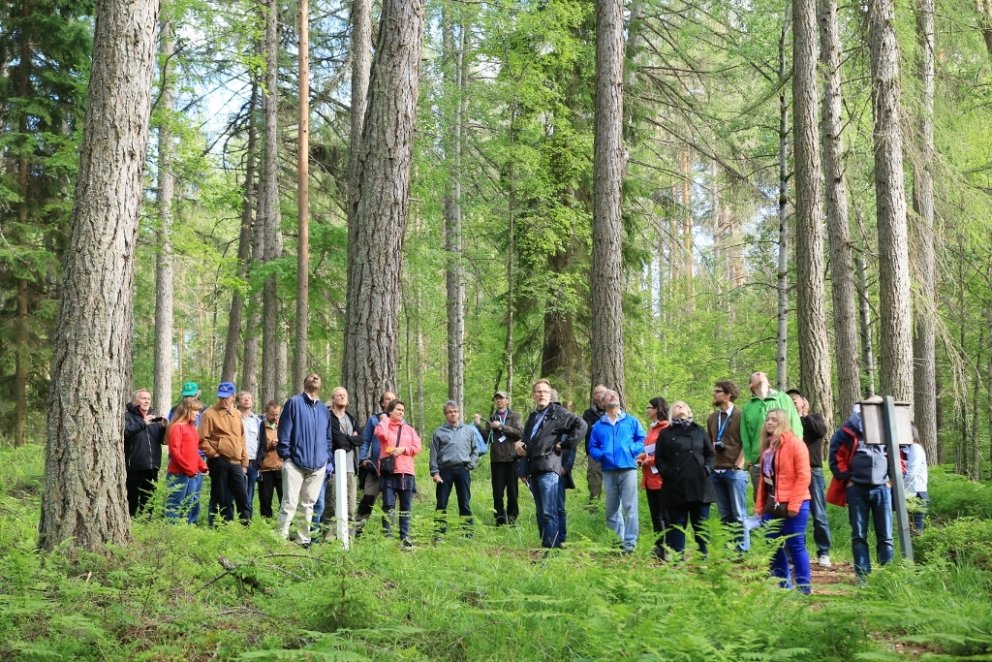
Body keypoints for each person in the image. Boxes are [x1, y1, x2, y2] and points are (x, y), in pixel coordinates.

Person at [827, 398, 896, 580]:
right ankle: (862, 575)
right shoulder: (847, 430)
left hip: (882, 488)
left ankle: (887, 577)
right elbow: (835, 455)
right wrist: (847, 479)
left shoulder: (887, 426)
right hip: (856, 489)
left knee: (886, 535)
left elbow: (900, 453)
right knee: (859, 534)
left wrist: (892, 481)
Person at [514, 379, 587, 549]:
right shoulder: (533, 417)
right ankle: (546, 545)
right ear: (533, 395)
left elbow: (581, 425)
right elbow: (526, 442)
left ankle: (551, 548)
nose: (542, 395)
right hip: (534, 467)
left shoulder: (558, 412)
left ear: (550, 395)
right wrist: (521, 462)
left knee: (549, 511)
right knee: (540, 512)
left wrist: (566, 444)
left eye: (545, 392)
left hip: (549, 466)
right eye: (538, 392)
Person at [755, 409, 812, 594]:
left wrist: (794, 504)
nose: (769, 422)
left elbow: (804, 476)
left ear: (783, 423)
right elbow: (764, 480)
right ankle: (783, 585)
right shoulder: (768, 447)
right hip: (773, 503)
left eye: (774, 420)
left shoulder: (796, 444)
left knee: (795, 545)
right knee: (771, 542)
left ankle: (804, 589)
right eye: (768, 419)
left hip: (795, 503)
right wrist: (760, 506)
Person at [277, 373, 333, 547]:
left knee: (308, 504)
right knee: (289, 503)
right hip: (295, 463)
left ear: (321, 384)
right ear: (304, 382)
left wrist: (327, 458)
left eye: (318, 377)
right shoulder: (294, 403)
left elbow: (328, 438)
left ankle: (303, 539)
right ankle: (280, 539)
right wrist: (286, 455)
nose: (315, 378)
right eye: (311, 377)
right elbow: (284, 430)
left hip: (318, 465)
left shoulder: (324, 409)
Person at [589, 390, 646, 553]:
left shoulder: (631, 421)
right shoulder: (598, 426)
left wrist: (630, 449)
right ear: (603, 403)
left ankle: (630, 544)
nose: (613, 396)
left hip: (628, 468)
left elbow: (642, 439)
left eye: (615, 395)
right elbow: (592, 447)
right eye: (608, 396)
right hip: (608, 470)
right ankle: (617, 542)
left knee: (630, 507)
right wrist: (603, 454)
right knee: (612, 508)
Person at [657, 401, 715, 559]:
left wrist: (706, 469)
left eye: (683, 405)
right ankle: (677, 559)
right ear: (671, 413)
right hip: (675, 486)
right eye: (676, 405)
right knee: (677, 525)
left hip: (700, 485)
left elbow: (710, 454)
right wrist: (668, 473)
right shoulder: (665, 433)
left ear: (689, 411)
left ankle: (703, 557)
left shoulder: (699, 430)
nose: (680, 407)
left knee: (701, 525)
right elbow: (659, 459)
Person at [740, 372, 803, 500]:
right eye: (755, 374)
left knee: (784, 501)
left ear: (768, 382)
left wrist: (796, 454)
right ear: (751, 385)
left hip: (785, 460)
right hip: (758, 464)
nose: (760, 373)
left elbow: (796, 426)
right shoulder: (747, 407)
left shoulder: (784, 399)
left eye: (762, 373)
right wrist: (750, 463)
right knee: (763, 504)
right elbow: (745, 437)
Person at [788, 389, 832, 567]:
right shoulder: (787, 423)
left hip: (813, 471)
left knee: (818, 512)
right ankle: (798, 551)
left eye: (795, 399)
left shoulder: (813, 418)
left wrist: (804, 415)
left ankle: (824, 551)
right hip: (793, 474)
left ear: (804, 401)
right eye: (789, 400)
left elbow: (821, 432)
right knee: (796, 513)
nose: (792, 402)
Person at [198, 381, 251, 523]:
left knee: (242, 496)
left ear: (233, 397)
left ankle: (246, 528)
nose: (224, 400)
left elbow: (242, 439)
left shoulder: (237, 414)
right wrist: (213, 453)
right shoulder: (209, 414)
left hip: (236, 461)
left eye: (227, 397)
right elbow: (201, 439)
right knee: (219, 497)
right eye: (221, 397)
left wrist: (244, 462)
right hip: (219, 461)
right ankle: (218, 527)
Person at [707, 381, 748, 553]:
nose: (714, 394)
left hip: (734, 471)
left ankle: (742, 550)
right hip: (716, 471)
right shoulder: (712, 418)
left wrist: (738, 465)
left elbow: (747, 443)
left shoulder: (741, 415)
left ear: (728, 395)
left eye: (718, 391)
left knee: (738, 513)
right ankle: (729, 549)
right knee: (725, 514)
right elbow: (708, 443)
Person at [314, 386, 361, 537]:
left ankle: (350, 540)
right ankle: (327, 540)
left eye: (344, 395)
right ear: (332, 398)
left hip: (351, 469)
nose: (342, 397)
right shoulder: (328, 417)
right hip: (332, 468)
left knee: (351, 508)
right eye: (338, 395)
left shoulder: (351, 418)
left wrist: (350, 439)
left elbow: (361, 439)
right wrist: (351, 439)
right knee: (331, 506)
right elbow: (338, 441)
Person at [430, 400, 482, 537]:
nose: (453, 414)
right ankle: (439, 533)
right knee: (441, 503)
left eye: (455, 411)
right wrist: (435, 472)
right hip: (444, 470)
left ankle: (467, 533)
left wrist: (471, 463)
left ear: (459, 413)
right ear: (445, 414)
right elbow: (433, 454)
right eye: (449, 412)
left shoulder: (469, 431)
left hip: (462, 470)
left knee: (464, 502)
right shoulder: (438, 432)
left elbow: (476, 449)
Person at [374, 399, 422, 547]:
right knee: (388, 505)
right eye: (398, 409)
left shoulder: (409, 430)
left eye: (402, 410)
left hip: (407, 472)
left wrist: (404, 450)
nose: (401, 412)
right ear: (390, 411)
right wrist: (384, 419)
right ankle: (387, 536)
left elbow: (417, 447)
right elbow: (380, 434)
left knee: (406, 506)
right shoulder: (385, 426)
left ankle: (404, 537)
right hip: (389, 471)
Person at [473, 391, 523, 526]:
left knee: (512, 492)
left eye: (502, 398)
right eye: (497, 399)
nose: (499, 401)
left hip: (512, 459)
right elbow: (486, 438)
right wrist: (478, 425)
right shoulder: (492, 417)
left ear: (507, 401)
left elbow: (519, 433)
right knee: (497, 492)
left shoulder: (515, 416)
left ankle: (512, 519)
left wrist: (501, 426)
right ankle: (500, 519)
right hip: (496, 460)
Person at [354, 390, 396, 536]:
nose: (390, 401)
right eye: (387, 399)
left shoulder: (401, 421)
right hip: (374, 468)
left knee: (389, 501)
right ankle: (357, 530)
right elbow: (365, 441)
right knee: (368, 498)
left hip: (392, 469)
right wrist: (363, 459)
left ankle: (388, 533)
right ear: (382, 403)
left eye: (393, 399)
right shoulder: (374, 420)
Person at [123, 388, 168, 517]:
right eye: (143, 398)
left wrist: (165, 428)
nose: (146, 401)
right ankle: (130, 523)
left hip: (152, 466)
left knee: (149, 501)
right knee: (131, 499)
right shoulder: (127, 417)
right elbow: (124, 433)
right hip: (134, 466)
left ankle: (147, 524)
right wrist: (143, 423)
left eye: (148, 398)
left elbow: (163, 441)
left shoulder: (154, 418)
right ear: (134, 401)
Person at [165, 396, 208, 523]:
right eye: (195, 410)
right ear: (186, 410)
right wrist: (189, 469)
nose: (197, 413)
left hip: (192, 474)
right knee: (175, 504)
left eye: (198, 411)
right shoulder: (177, 427)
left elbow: (193, 452)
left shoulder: (193, 428)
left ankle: (186, 532)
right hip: (178, 474)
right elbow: (175, 451)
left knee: (189, 503)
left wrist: (202, 466)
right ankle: (172, 533)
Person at [636, 397, 669, 555]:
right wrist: (642, 457)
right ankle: (659, 547)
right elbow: (649, 449)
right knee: (655, 515)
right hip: (649, 478)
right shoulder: (651, 428)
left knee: (665, 515)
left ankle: (668, 547)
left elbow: (667, 454)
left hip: (662, 479)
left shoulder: (666, 429)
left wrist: (649, 460)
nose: (647, 410)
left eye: (649, 407)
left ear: (657, 409)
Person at [255, 400, 283, 519]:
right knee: (265, 500)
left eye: (277, 414)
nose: (275, 417)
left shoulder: (283, 425)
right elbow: (257, 445)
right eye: (272, 414)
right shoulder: (260, 425)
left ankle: (285, 526)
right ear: (266, 412)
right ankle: (266, 525)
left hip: (281, 467)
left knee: (285, 499)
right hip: (266, 468)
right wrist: (271, 445)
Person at [237, 390, 263, 515]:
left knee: (249, 493)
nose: (247, 400)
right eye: (243, 398)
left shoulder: (257, 421)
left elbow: (261, 441)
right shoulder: (234, 418)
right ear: (238, 402)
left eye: (249, 398)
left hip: (252, 462)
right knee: (233, 491)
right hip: (236, 460)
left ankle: (246, 522)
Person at [582, 384, 608, 504]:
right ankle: (594, 506)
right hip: (595, 451)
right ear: (594, 396)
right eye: (597, 392)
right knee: (594, 479)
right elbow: (587, 430)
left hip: (612, 450)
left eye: (602, 392)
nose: (600, 394)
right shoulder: (588, 413)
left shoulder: (614, 409)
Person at [905, 423, 929, 533]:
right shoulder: (912, 448)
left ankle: (919, 549)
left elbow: (911, 473)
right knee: (912, 529)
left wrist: (900, 489)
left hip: (916, 494)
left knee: (916, 529)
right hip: (914, 493)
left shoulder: (915, 448)